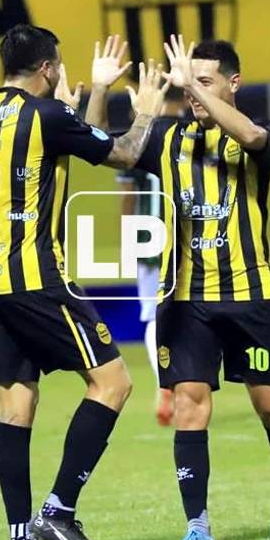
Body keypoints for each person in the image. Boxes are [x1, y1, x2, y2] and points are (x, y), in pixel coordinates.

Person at [0, 25, 166, 540]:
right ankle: (58, 510)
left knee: (16, 405)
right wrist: (145, 111)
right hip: (34, 277)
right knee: (113, 382)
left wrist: (95, 94)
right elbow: (123, 153)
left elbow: (70, 142)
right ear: (48, 69)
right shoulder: (46, 116)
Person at [123, 34, 270, 540]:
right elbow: (113, 153)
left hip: (248, 292)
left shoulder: (258, 134)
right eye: (187, 83)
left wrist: (194, 89)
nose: (191, 91)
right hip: (186, 299)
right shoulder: (168, 139)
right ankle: (197, 528)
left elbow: (249, 134)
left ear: (233, 83)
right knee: (188, 406)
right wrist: (107, 105)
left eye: (203, 81)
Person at [117, 85, 187, 426]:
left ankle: (165, 384)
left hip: (148, 238)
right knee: (187, 312)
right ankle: (182, 381)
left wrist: (128, 239)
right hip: (185, 236)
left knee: (152, 314)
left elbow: (128, 196)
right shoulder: (188, 130)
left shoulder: (139, 137)